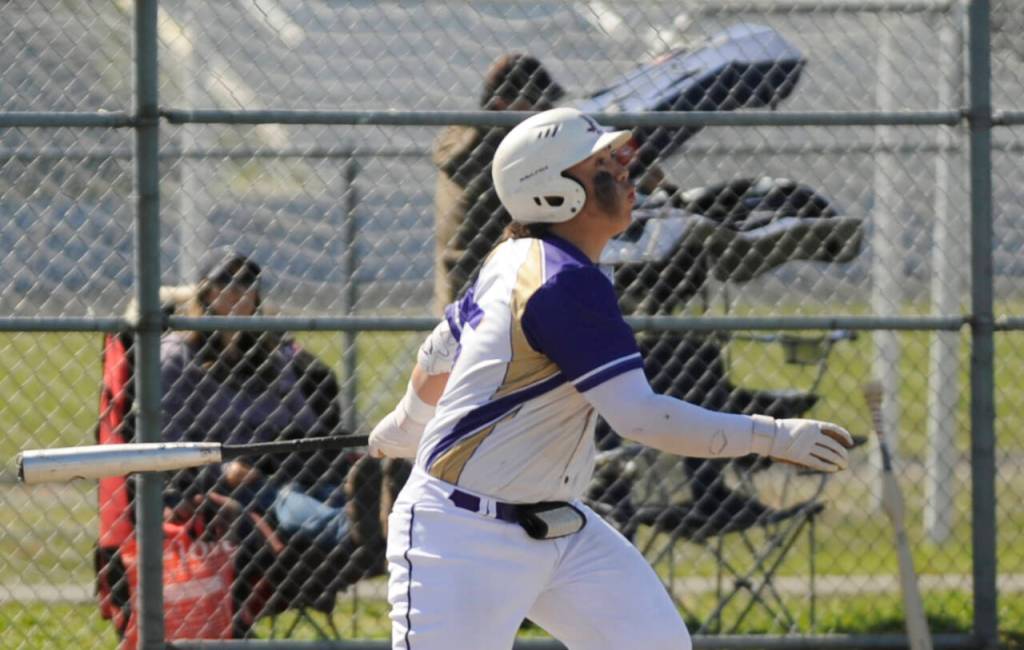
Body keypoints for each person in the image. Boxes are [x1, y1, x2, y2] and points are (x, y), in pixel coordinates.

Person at [370, 107, 854, 650]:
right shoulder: (561, 281)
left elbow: (440, 350)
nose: (625, 171)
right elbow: (641, 418)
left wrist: (405, 424)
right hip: (461, 538)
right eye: (601, 165)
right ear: (553, 192)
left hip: (560, 526)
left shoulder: (517, 255)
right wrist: (772, 436)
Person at [157, 249, 384, 629]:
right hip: (225, 478)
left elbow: (304, 421)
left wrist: (298, 450)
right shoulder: (178, 355)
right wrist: (222, 470)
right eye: (225, 282)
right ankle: (352, 529)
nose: (239, 291)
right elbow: (168, 437)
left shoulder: (269, 353)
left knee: (325, 487)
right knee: (284, 498)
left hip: (278, 460)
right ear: (206, 292)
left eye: (247, 282)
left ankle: (383, 517)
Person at [433, 53, 565, 310]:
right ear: (503, 103)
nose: (545, 112)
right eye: (538, 104)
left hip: (475, 277)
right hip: (477, 276)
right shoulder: (495, 147)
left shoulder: (465, 137)